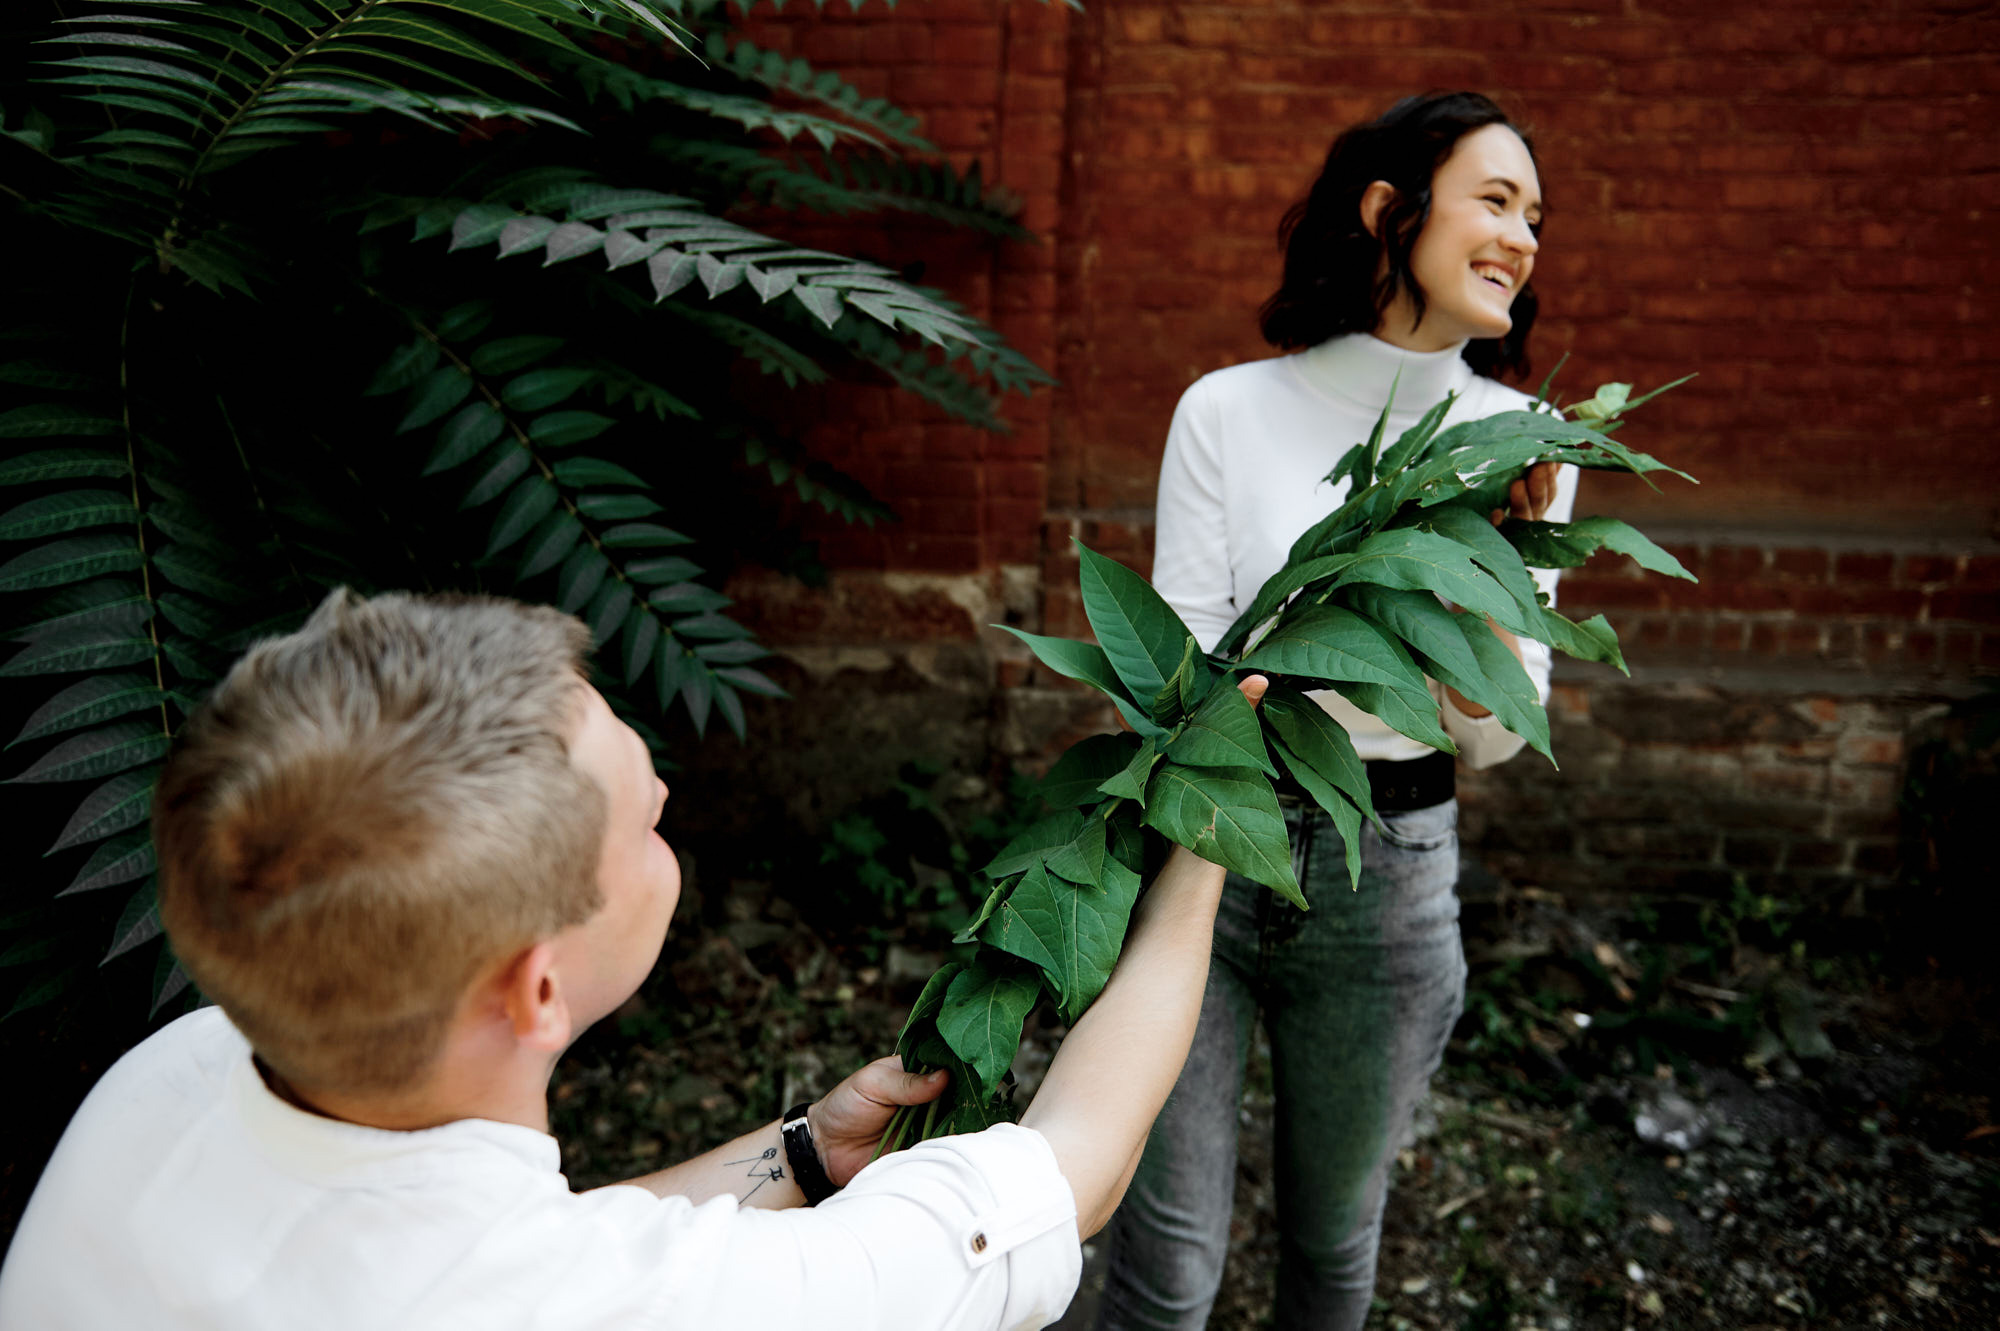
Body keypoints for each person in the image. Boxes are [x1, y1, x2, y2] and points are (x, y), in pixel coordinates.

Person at [0, 588, 1265, 1331]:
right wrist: (1211, 823)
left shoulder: (178, 1072)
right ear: (534, 985)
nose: (665, 787)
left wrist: (799, 1154)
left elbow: (508, 1241)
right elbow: (1074, 1165)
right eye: (644, 819)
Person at [1096, 93, 1578, 1331]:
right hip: (1206, 853)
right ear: (1387, 212)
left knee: (1331, 1247)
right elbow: (1178, 677)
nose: (1523, 237)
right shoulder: (1224, 409)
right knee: (1166, 1262)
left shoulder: (1523, 446)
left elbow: (1489, 727)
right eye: (1494, 199)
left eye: (1535, 216)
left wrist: (1499, 561)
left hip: (1393, 869)